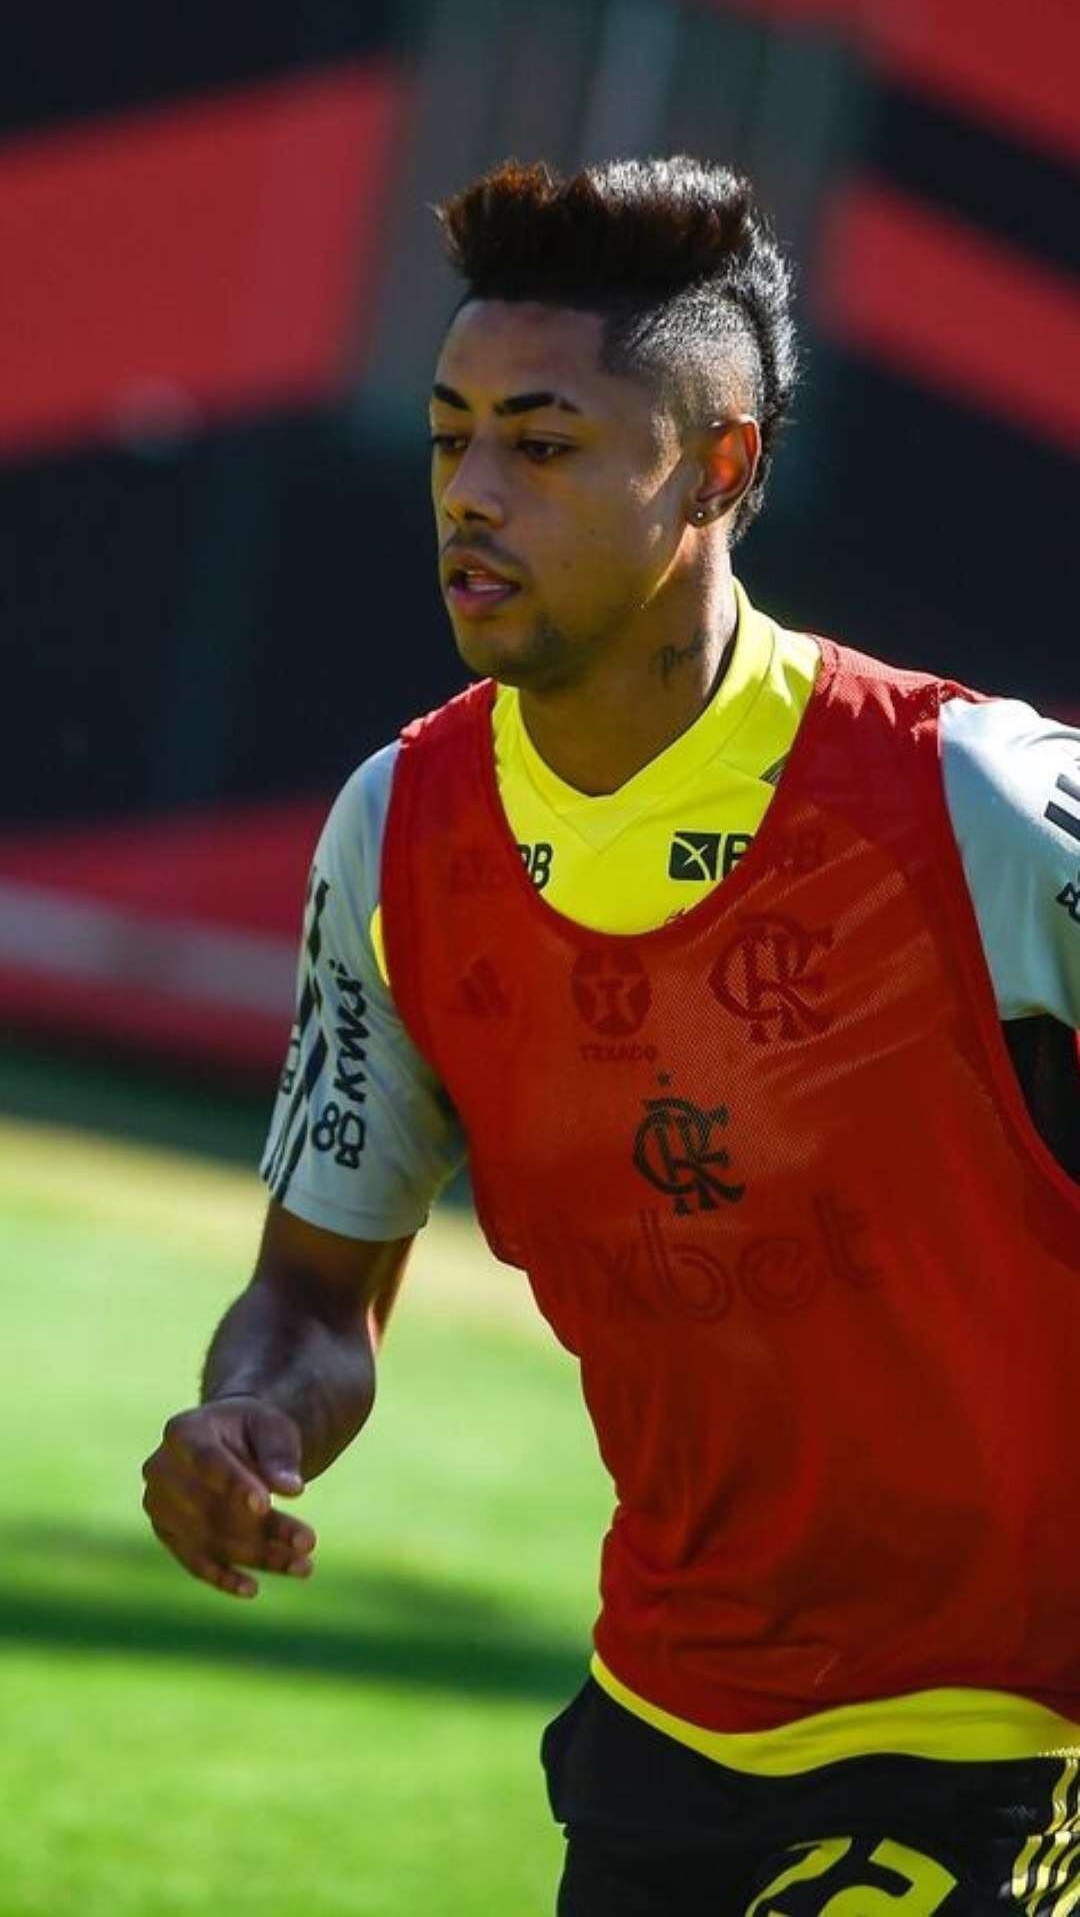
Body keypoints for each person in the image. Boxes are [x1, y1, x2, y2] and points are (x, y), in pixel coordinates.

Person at [143, 157, 1080, 1914]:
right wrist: (249, 1414)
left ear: (715, 467)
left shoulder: (975, 802)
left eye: (545, 445)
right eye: (449, 440)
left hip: (1009, 1735)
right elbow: (312, 1299)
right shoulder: (396, 837)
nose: (471, 497)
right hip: (668, 1730)